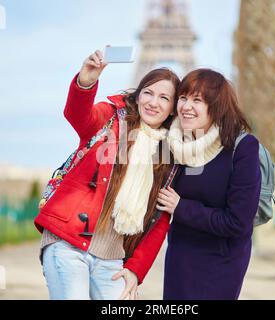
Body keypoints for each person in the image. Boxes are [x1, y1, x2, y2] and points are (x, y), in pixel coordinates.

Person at [34, 49, 180, 300]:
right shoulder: (110, 116)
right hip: (68, 242)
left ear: (172, 109)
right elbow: (78, 116)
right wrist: (86, 82)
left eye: (164, 98)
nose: (153, 102)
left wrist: (135, 270)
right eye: (148, 92)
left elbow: (160, 221)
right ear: (138, 94)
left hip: (113, 258)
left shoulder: (169, 157)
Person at [131, 68, 262, 299]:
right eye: (183, 98)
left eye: (197, 100)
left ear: (216, 106)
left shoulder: (242, 148)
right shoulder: (173, 144)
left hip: (221, 262)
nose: (186, 106)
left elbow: (238, 223)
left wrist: (182, 208)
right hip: (180, 258)